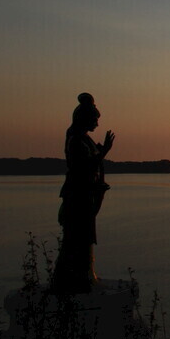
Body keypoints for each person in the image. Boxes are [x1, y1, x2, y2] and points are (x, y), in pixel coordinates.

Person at [52, 92, 115, 294]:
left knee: (83, 237)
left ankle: (84, 276)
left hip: (85, 195)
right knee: (76, 238)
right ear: (84, 119)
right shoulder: (76, 141)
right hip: (77, 197)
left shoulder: (83, 139)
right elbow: (81, 167)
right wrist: (104, 151)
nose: (97, 123)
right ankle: (74, 279)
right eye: (95, 119)